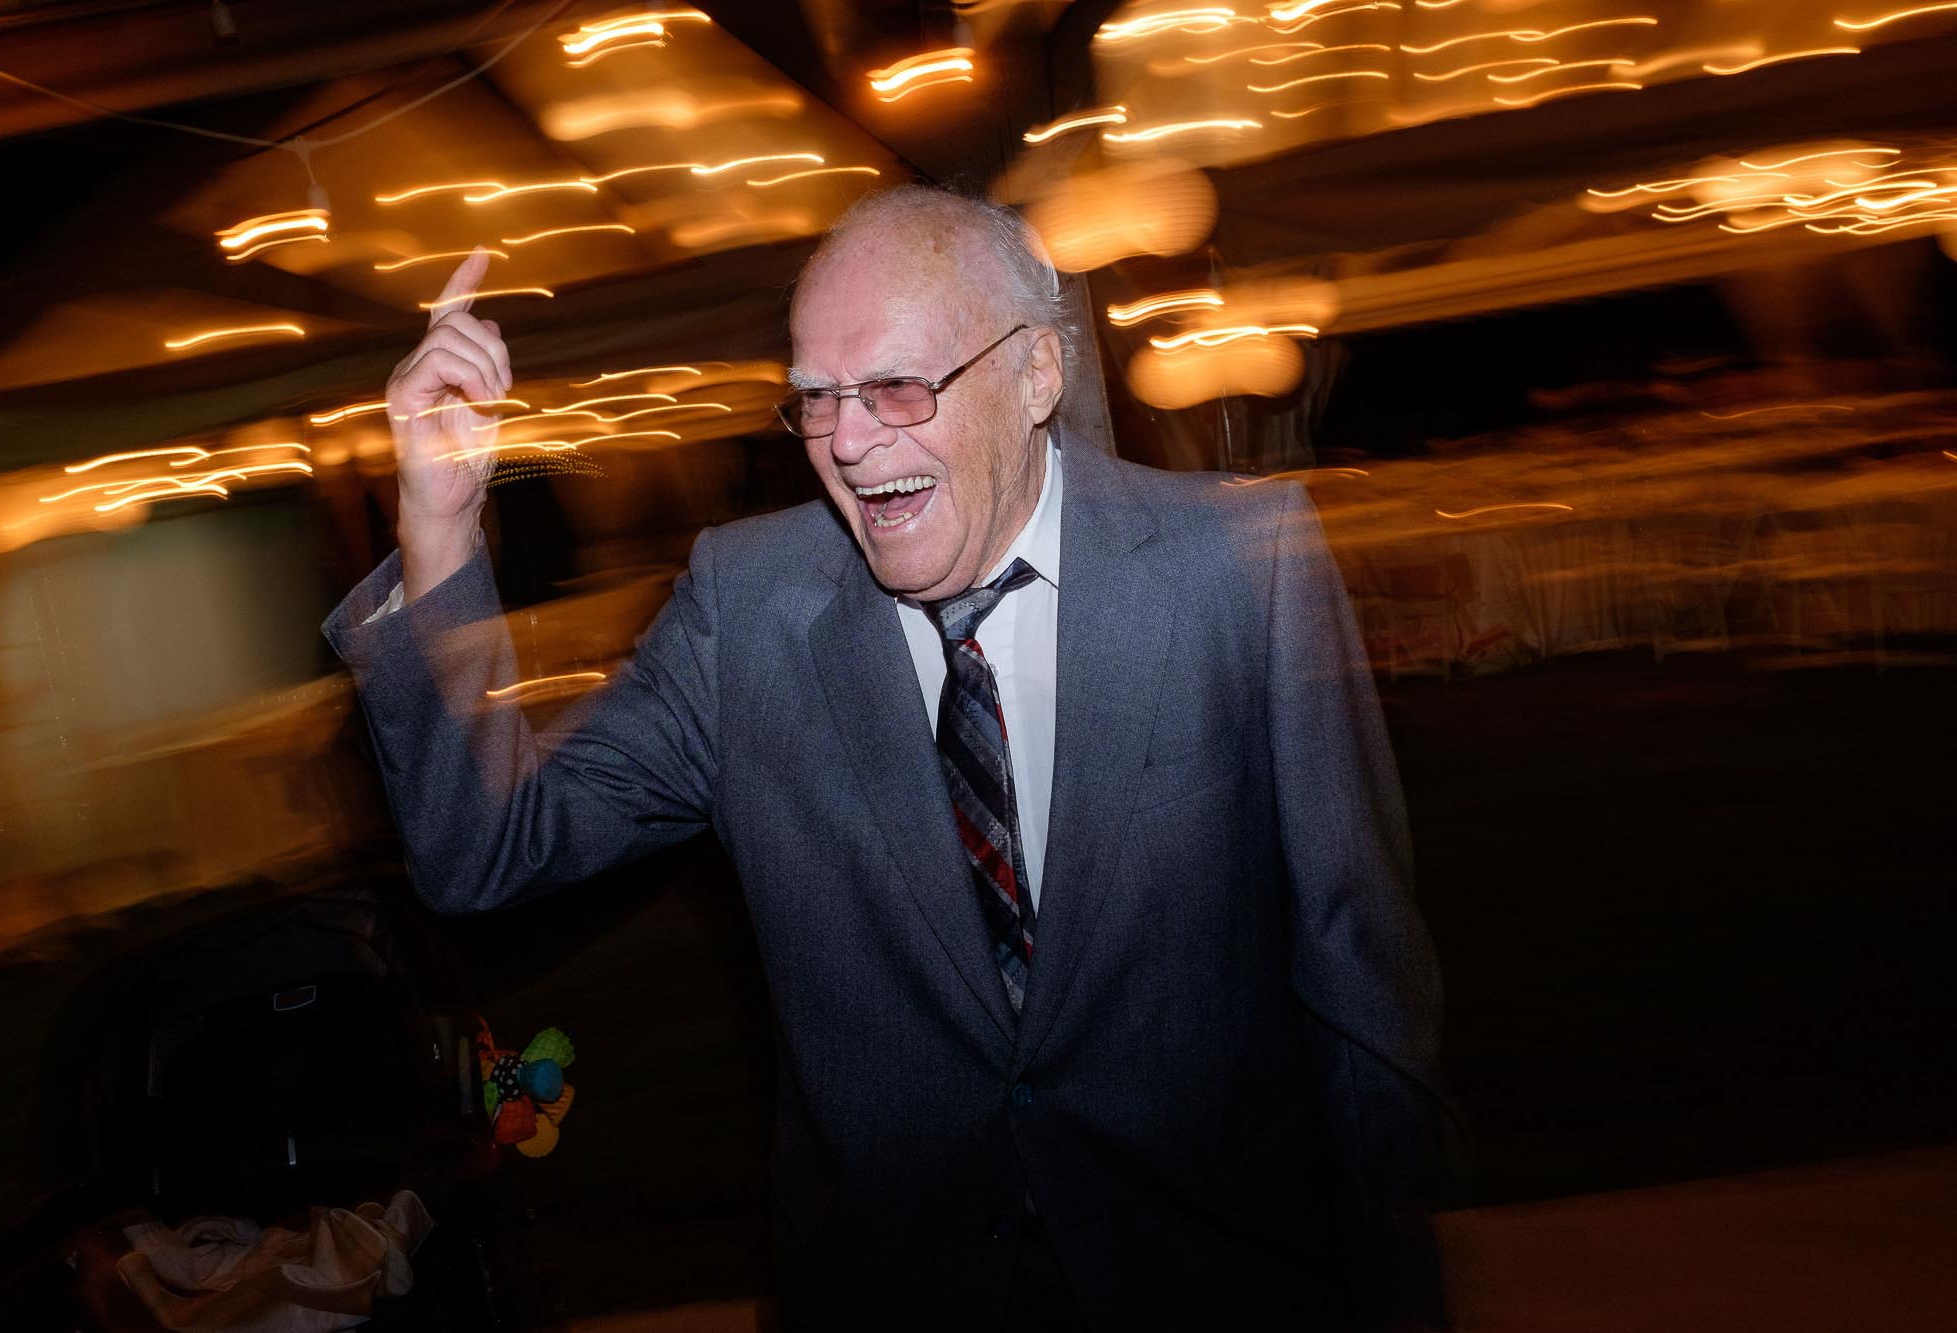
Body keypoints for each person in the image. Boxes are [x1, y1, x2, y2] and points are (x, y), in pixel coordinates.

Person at [324, 187, 1455, 1330]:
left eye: (896, 389)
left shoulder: (1233, 569)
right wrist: (439, 524)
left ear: (1033, 378)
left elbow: (1356, 980)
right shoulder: (746, 612)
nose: (850, 443)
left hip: (1216, 1283)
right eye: (815, 400)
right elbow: (485, 851)